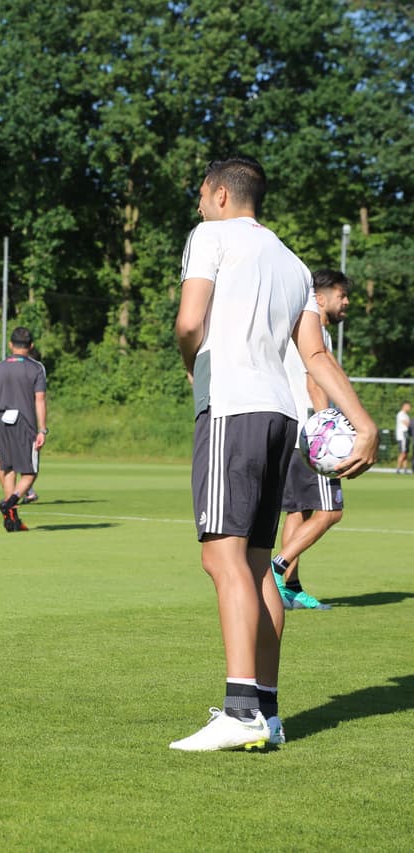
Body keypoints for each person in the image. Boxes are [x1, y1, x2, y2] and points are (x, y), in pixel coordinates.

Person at [170, 156, 376, 751]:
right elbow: (316, 356)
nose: (200, 204)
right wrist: (362, 422)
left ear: (217, 194)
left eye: (201, 194)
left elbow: (190, 322)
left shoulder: (208, 235)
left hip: (231, 408)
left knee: (222, 557)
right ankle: (268, 712)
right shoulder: (294, 264)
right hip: (283, 417)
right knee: (258, 564)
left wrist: (192, 366)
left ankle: (239, 711)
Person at [272, 270, 351, 611]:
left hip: (292, 434)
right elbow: (315, 383)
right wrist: (327, 429)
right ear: (320, 298)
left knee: (298, 513)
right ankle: (276, 568)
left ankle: (290, 587)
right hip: (310, 438)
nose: (346, 302)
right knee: (330, 512)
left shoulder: (293, 325)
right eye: (341, 294)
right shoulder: (314, 330)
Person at [0, 327, 47, 532]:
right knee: (30, 473)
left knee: (8, 469)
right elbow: (40, 399)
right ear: (31, 346)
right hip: (25, 424)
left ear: (10, 345)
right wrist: (42, 429)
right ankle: (10, 503)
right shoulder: (36, 368)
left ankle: (12, 519)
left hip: (2, 423)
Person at [0, 344, 39, 504]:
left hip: (17, 422)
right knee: (4, 460)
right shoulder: (26, 368)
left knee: (7, 462)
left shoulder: (28, 367)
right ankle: (17, 496)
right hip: (11, 421)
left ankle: (12, 499)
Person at [396, 402, 411, 474]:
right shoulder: (401, 414)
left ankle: (405, 469)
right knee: (403, 452)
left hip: (406, 435)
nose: (409, 408)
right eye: (408, 406)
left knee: (406, 453)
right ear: (404, 406)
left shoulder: (406, 415)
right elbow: (407, 424)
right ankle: (398, 469)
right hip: (402, 436)